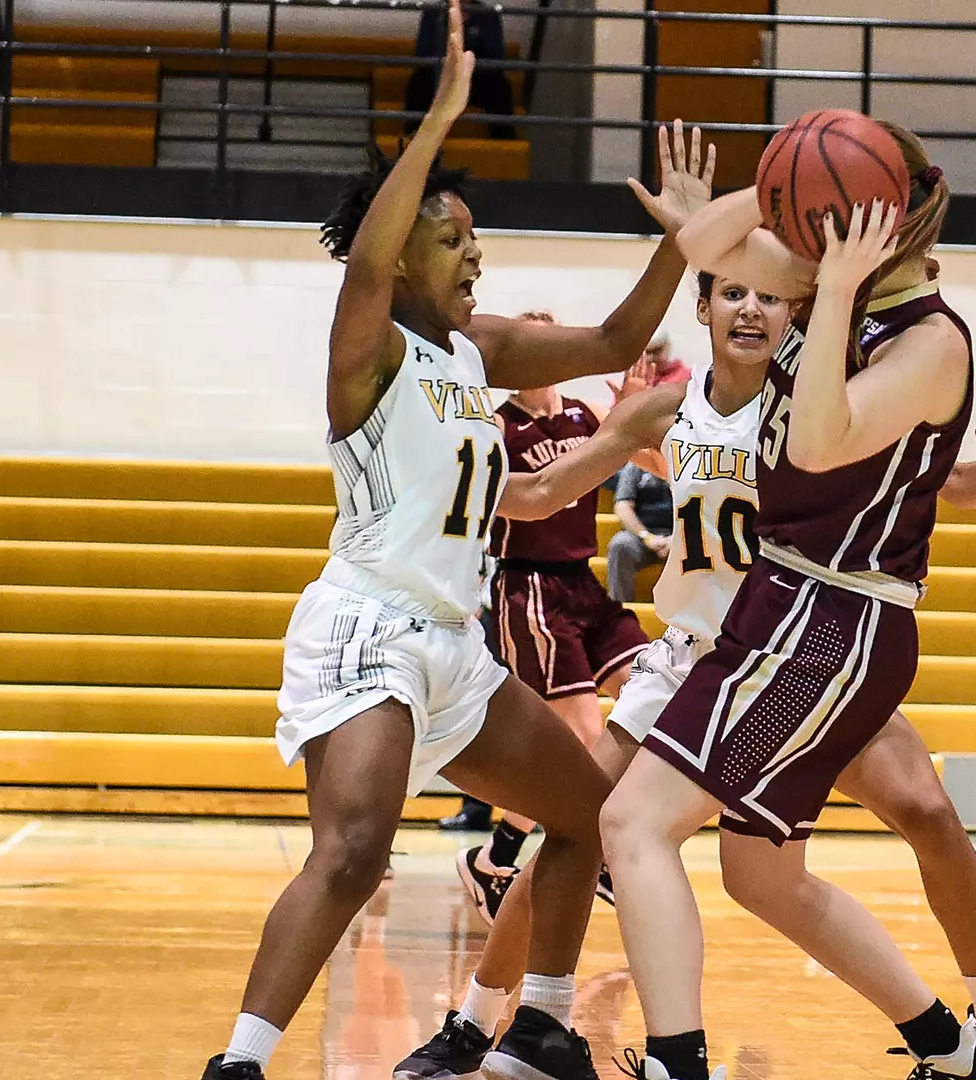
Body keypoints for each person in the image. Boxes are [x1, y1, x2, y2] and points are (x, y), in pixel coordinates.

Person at [391, 267, 976, 1080]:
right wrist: (437, 472)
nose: (750, 308)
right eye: (731, 293)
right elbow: (541, 491)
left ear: (797, 310)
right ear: (703, 307)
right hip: (693, 660)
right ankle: (478, 1022)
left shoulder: (825, 406)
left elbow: (938, 484)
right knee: (579, 830)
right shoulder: (664, 408)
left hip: (797, 655)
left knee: (927, 811)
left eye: (769, 295)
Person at [201, 9, 714, 1078]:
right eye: (453, 237)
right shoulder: (368, 348)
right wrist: (433, 122)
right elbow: (366, 262)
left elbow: (618, 339)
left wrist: (681, 241)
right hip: (370, 626)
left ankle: (540, 1028)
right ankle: (239, 1063)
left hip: (453, 641)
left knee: (589, 816)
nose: (476, 252)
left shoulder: (476, 351)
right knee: (353, 855)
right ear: (400, 255)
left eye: (476, 236)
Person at [595, 124, 976, 1080]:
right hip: (794, 609)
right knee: (762, 875)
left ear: (886, 219)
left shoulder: (929, 341)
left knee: (633, 823)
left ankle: (677, 1064)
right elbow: (698, 247)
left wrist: (831, 284)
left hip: (828, 617)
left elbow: (816, 445)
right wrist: (777, 189)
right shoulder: (824, 284)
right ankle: (963, 1055)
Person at [458, 310, 651, 923]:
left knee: (654, 699)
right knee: (584, 734)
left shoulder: (586, 414)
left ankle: (496, 858)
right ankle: (590, 854)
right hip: (530, 587)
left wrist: (634, 417)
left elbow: (647, 461)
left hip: (582, 583)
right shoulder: (496, 423)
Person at [404, 0, 514, 138]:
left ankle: (504, 142)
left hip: (476, 78)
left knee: (499, 86)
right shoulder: (433, 13)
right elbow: (423, 52)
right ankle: (413, 139)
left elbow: (495, 55)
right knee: (419, 82)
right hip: (440, 77)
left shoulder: (488, 15)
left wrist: (465, 63)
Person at [606, 460, 674, 601]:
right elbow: (623, 506)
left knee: (700, 545)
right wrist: (646, 536)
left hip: (679, 536)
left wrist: (676, 539)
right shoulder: (637, 464)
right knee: (620, 544)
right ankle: (619, 606)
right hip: (642, 536)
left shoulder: (689, 464)